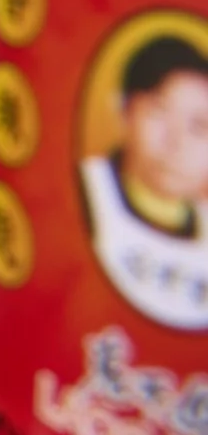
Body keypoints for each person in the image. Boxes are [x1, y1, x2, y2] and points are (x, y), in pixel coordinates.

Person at [83, 31, 208, 329]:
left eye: (198, 126)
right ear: (125, 110)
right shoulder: (85, 192)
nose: (176, 142)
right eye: (159, 112)